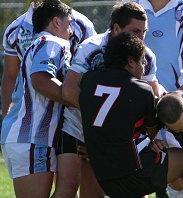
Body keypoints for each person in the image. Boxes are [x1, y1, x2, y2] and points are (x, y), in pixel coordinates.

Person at [79, 32, 183, 198]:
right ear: (131, 62)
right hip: (134, 171)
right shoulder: (141, 89)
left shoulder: (88, 80)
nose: (144, 64)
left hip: (103, 175)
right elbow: (152, 133)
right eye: (142, 60)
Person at [59, 2, 160, 197]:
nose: (140, 38)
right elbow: (69, 91)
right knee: (69, 189)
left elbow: (149, 98)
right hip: (78, 127)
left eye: (144, 32)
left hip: (116, 136)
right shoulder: (92, 48)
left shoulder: (146, 56)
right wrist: (101, 128)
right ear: (116, 28)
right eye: (135, 31)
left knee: (127, 190)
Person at [0, 0, 73, 197]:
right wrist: (76, 99)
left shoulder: (40, 42)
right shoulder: (52, 42)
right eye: (69, 23)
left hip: (27, 137)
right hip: (32, 136)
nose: (72, 30)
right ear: (56, 22)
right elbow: (41, 79)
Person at [1, 0, 96, 117]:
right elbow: (11, 76)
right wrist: (7, 114)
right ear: (55, 23)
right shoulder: (15, 31)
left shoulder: (82, 25)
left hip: (73, 117)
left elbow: (94, 66)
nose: (70, 31)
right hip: (33, 118)